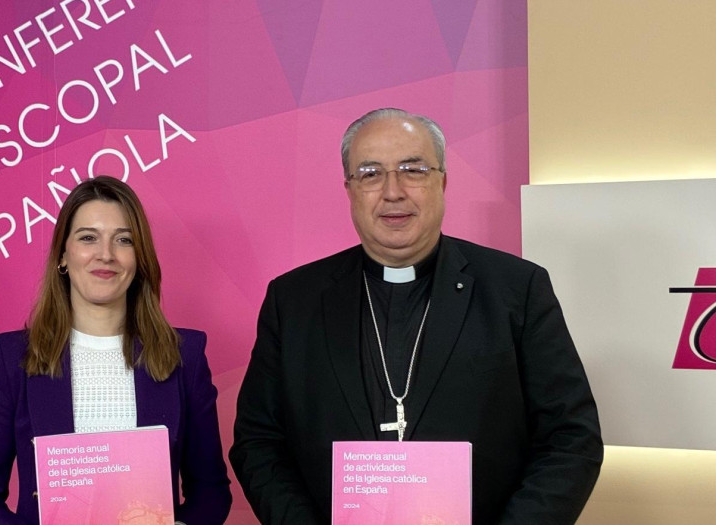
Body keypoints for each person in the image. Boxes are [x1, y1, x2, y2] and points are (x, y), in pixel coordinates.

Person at [229, 108, 603, 524]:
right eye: (370, 174)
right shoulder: (294, 300)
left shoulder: (516, 289)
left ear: (442, 181)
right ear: (350, 189)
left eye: (413, 170)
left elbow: (571, 436)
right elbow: (258, 441)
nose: (393, 192)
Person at [0, 176, 232, 524]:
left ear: (139, 258)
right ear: (63, 255)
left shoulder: (185, 356)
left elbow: (211, 491)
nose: (106, 254)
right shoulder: (12, 358)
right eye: (88, 237)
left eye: (124, 240)